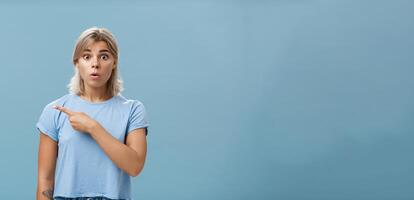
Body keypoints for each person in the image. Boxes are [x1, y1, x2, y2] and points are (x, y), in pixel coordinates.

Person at [36, 27, 150, 200]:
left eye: (104, 56)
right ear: (77, 62)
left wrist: (92, 127)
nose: (95, 63)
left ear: (114, 63)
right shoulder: (55, 110)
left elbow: (134, 166)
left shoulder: (133, 110)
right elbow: (45, 180)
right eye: (87, 56)